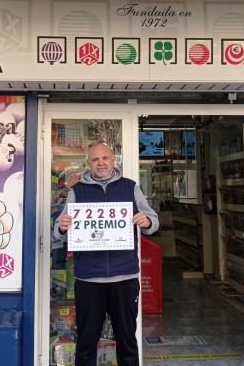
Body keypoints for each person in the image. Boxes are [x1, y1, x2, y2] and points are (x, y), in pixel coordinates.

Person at [54, 142, 159, 366]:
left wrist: (147, 221)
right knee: (86, 342)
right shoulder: (77, 191)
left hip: (124, 278)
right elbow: (59, 230)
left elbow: (153, 221)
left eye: (105, 158)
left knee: (127, 340)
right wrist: (62, 227)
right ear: (88, 163)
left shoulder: (130, 187)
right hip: (89, 280)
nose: (100, 163)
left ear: (113, 160)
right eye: (95, 159)